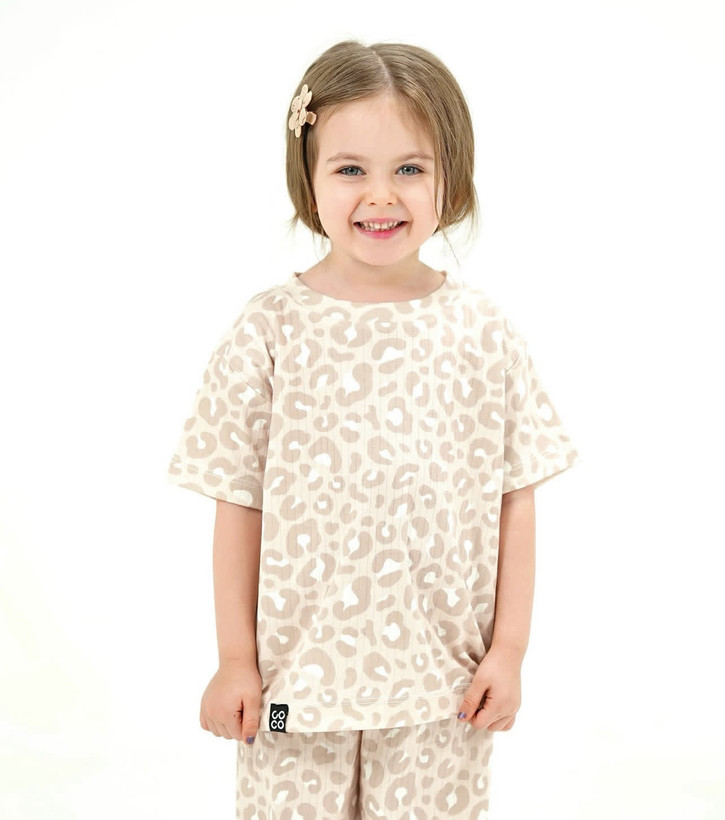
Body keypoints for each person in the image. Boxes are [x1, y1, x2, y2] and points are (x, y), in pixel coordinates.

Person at [166, 39, 582, 820]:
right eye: (350, 169)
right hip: (293, 692)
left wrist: (509, 650)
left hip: (442, 692)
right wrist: (234, 661)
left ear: (450, 177)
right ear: (308, 176)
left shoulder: (481, 332)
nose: (380, 196)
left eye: (410, 168)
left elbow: (515, 500)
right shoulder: (270, 330)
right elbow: (238, 503)